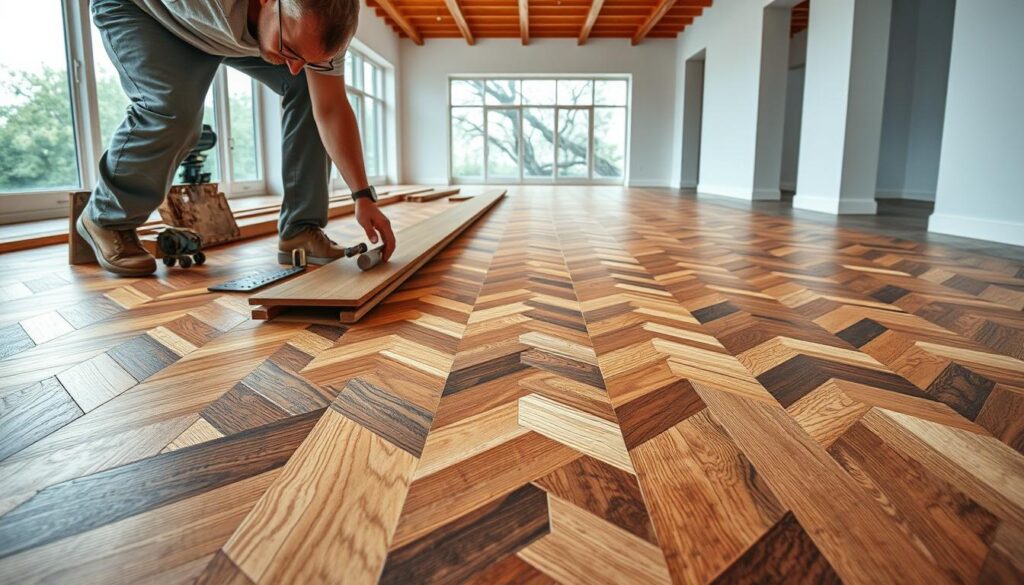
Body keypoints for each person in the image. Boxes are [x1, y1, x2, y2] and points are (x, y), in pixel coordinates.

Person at [77, 0, 396, 275]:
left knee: (308, 91)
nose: (296, 67)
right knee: (174, 108)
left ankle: (301, 230)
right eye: (291, 50)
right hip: (151, 14)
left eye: (310, 60)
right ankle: (107, 218)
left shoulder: (315, 33)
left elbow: (330, 109)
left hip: (224, 27)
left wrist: (362, 196)